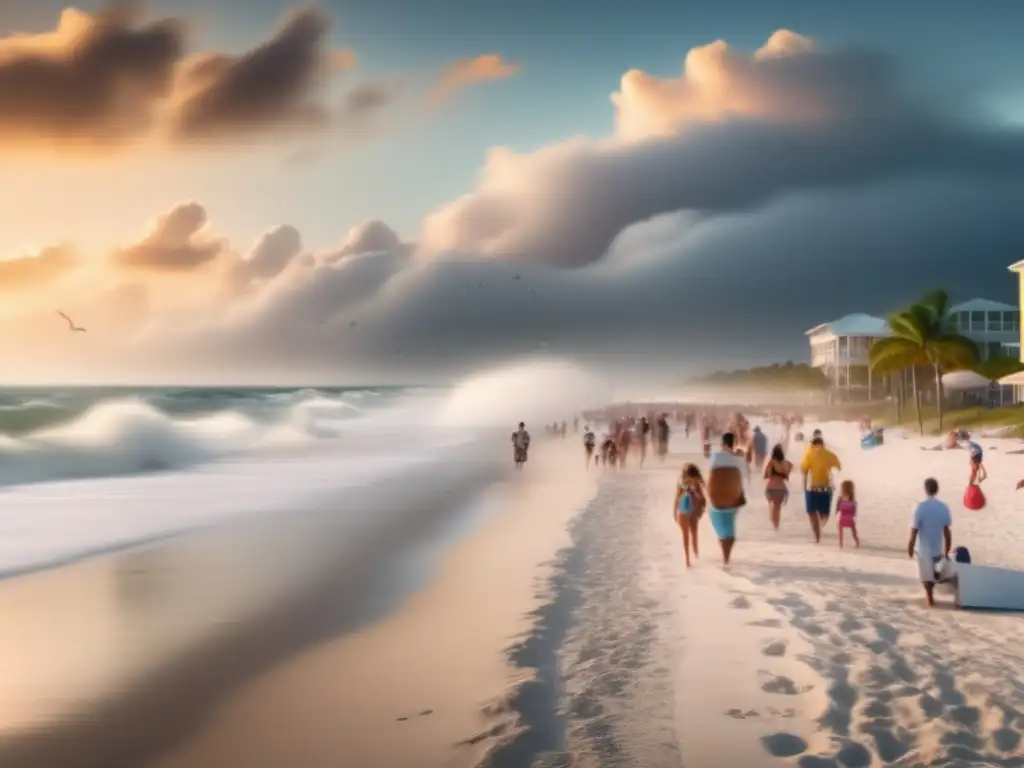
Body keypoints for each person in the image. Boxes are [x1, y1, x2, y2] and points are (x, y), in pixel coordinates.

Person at [908, 477, 953, 608]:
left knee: (926, 577)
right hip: (937, 548)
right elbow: (947, 531)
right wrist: (947, 549)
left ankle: (930, 598)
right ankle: (930, 596)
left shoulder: (920, 506)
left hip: (923, 549)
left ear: (925, 489)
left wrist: (910, 545)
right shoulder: (943, 507)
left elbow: (914, 528)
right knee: (931, 574)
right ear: (937, 490)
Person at [706, 432, 748, 566]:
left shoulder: (715, 456)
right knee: (728, 527)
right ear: (734, 444)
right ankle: (726, 559)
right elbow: (743, 477)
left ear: (722, 444)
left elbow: (709, 472)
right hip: (733, 499)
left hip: (716, 499)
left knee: (720, 526)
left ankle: (725, 558)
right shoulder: (739, 459)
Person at [800, 436, 841, 543]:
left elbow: (804, 471)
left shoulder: (808, 454)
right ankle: (821, 527)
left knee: (812, 513)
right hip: (826, 488)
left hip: (812, 488)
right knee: (824, 513)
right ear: (822, 444)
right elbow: (838, 467)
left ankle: (817, 536)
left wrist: (804, 488)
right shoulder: (829, 454)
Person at [673, 463, 706, 567]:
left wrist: (701, 509)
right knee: (686, 535)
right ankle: (687, 560)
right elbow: (676, 499)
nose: (685, 479)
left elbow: (703, 499)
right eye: (684, 476)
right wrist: (674, 512)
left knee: (694, 535)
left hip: (694, 511)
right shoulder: (681, 485)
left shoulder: (696, 485)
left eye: (687, 477)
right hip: (683, 511)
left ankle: (696, 556)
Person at [763, 444, 792, 531]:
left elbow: (766, 476)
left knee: (771, 507)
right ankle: (777, 528)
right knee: (777, 509)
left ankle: (773, 527)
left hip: (770, 488)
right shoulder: (787, 464)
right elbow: (787, 477)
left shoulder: (771, 463)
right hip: (780, 489)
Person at [836, 479, 860, 549]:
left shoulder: (840, 499)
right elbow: (854, 512)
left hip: (842, 519)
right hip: (850, 519)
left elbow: (838, 509)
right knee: (854, 532)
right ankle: (857, 542)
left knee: (840, 531)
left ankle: (841, 544)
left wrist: (837, 512)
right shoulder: (853, 500)